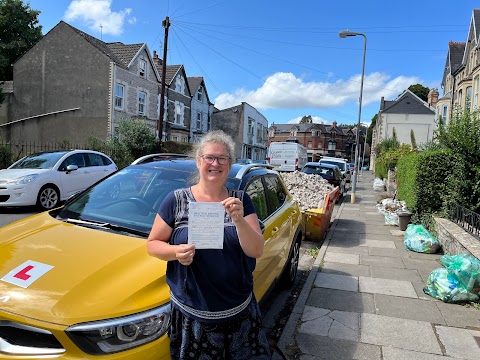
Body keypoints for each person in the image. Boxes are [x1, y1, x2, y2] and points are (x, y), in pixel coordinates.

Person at [147, 130, 272, 360]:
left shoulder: (241, 200)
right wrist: (175, 252)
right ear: (198, 161)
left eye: (222, 158)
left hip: (238, 315)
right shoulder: (176, 200)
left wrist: (239, 220)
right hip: (192, 317)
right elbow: (153, 244)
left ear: (230, 164)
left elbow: (256, 250)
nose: (215, 163)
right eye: (209, 158)